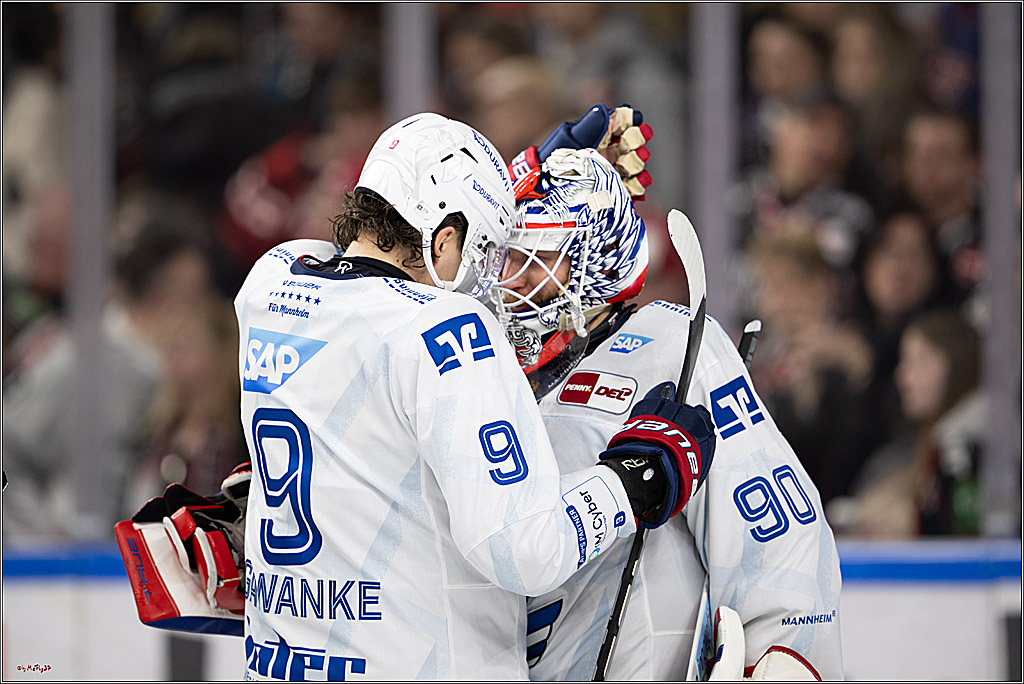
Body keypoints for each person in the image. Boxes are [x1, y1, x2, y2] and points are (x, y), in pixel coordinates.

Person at [116, 112, 716, 680]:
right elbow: (528, 550)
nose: (492, 284)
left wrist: (533, 166)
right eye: (485, 253)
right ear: (445, 237)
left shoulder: (270, 285)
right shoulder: (450, 332)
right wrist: (636, 477)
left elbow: (362, 263)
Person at [491, 147, 843, 679]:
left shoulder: (669, 348)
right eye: (504, 256)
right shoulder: (477, 361)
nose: (508, 279)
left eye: (532, 257)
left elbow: (778, 543)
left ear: (595, 258)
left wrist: (785, 659)